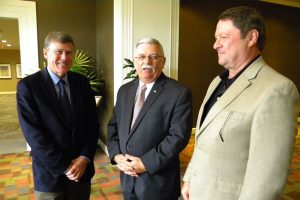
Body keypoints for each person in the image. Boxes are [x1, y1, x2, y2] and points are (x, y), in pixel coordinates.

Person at [181, 6, 300, 200]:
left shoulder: (278, 90)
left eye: (224, 37)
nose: (215, 45)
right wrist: (190, 178)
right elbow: (204, 139)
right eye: (216, 37)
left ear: (251, 37)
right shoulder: (217, 82)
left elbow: (267, 178)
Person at [17, 31, 99, 200]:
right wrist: (65, 167)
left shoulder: (82, 83)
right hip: (50, 175)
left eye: (69, 52)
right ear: (45, 53)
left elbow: (92, 124)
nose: (64, 57)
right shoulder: (28, 86)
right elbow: (34, 134)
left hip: (81, 172)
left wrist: (84, 157)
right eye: (58, 52)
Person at [107, 38, 193, 200]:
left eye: (154, 56)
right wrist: (116, 155)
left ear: (163, 62)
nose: (146, 61)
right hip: (127, 178)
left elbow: (178, 137)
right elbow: (113, 126)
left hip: (158, 182)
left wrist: (145, 163)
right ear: (134, 62)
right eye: (140, 57)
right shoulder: (124, 90)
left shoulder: (179, 93)